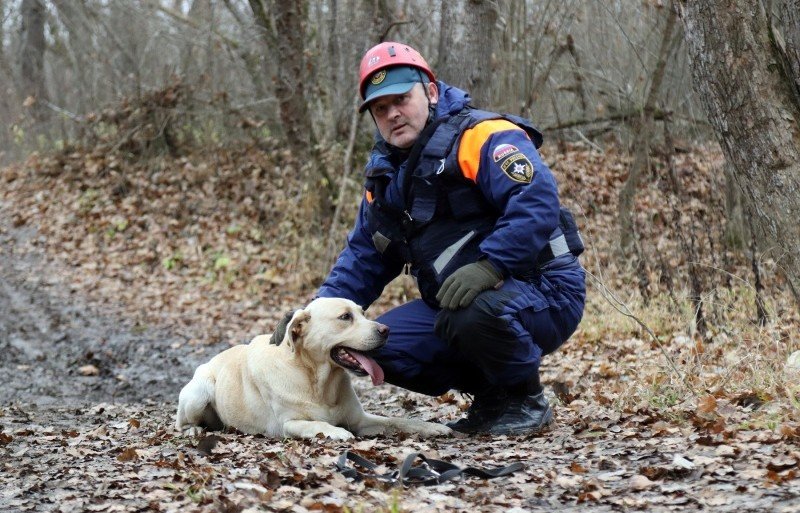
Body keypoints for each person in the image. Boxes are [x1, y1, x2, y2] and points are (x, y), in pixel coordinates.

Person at [274, 41, 585, 435]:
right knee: (373, 343)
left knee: (475, 312)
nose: (393, 114)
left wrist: (491, 265)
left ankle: (524, 398)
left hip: (545, 289)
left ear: (431, 92)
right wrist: (312, 314)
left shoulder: (484, 136)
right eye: (380, 109)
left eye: (401, 99)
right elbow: (363, 257)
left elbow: (535, 201)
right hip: (458, 305)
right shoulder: (385, 178)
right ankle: (492, 396)